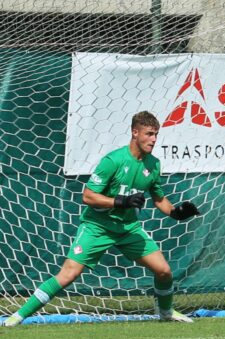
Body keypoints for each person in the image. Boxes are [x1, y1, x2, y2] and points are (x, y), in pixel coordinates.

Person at [2, 111, 200, 327]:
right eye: (149, 134)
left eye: (156, 135)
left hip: (128, 228)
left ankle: (166, 312)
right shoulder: (113, 161)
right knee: (68, 274)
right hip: (97, 227)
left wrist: (175, 213)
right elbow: (88, 196)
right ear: (135, 132)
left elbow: (159, 199)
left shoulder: (153, 164)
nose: (153, 139)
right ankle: (17, 317)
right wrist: (121, 202)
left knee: (164, 271)